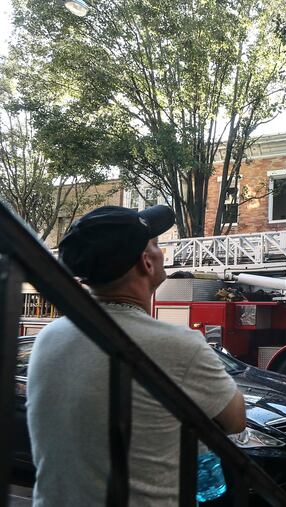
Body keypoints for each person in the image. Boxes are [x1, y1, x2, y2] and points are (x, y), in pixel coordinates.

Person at [27, 205, 246, 506]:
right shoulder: (181, 346)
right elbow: (236, 420)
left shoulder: (48, 337)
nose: (161, 252)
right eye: (155, 244)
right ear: (146, 262)